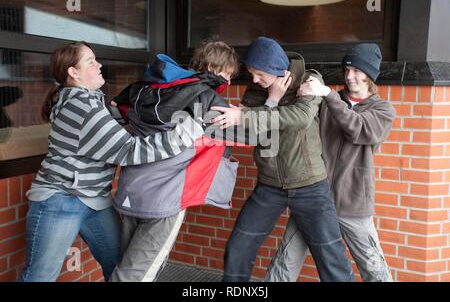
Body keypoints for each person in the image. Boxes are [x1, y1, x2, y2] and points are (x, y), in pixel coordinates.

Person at [19, 41, 203, 282]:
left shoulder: (92, 101)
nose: (99, 65)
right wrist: (187, 132)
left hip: (94, 200)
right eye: (91, 61)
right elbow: (128, 150)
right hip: (61, 200)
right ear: (73, 72)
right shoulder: (81, 105)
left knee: (121, 268)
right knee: (39, 277)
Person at [212, 36, 354, 282]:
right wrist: (272, 100)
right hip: (269, 185)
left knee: (331, 256)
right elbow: (253, 134)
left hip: (310, 184)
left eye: (259, 74)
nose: (254, 80)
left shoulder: (310, 80)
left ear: (278, 70)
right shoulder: (257, 90)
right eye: (251, 73)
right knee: (238, 246)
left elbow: (299, 117)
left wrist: (246, 115)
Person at [109, 41, 252, 282]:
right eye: (226, 73)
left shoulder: (143, 88)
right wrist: (248, 113)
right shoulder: (204, 96)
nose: (227, 81)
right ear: (211, 66)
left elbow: (115, 110)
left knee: (130, 263)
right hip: (165, 198)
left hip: (130, 191)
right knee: (134, 275)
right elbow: (255, 134)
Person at [265, 43, 396, 282]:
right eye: (347, 70)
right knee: (285, 260)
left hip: (353, 202)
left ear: (370, 74)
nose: (350, 76)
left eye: (357, 70)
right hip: (313, 196)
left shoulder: (383, 109)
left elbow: (359, 130)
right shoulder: (327, 100)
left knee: (372, 265)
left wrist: (328, 94)